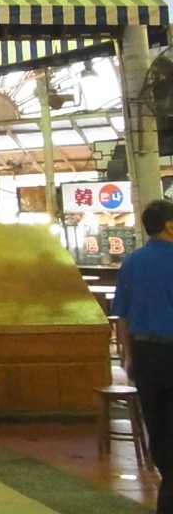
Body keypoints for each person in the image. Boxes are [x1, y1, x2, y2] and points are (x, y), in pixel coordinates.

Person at [112, 199, 173, 514]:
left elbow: (121, 316)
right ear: (170, 226)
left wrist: (128, 356)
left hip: (145, 356)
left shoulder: (132, 263)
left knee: (159, 429)